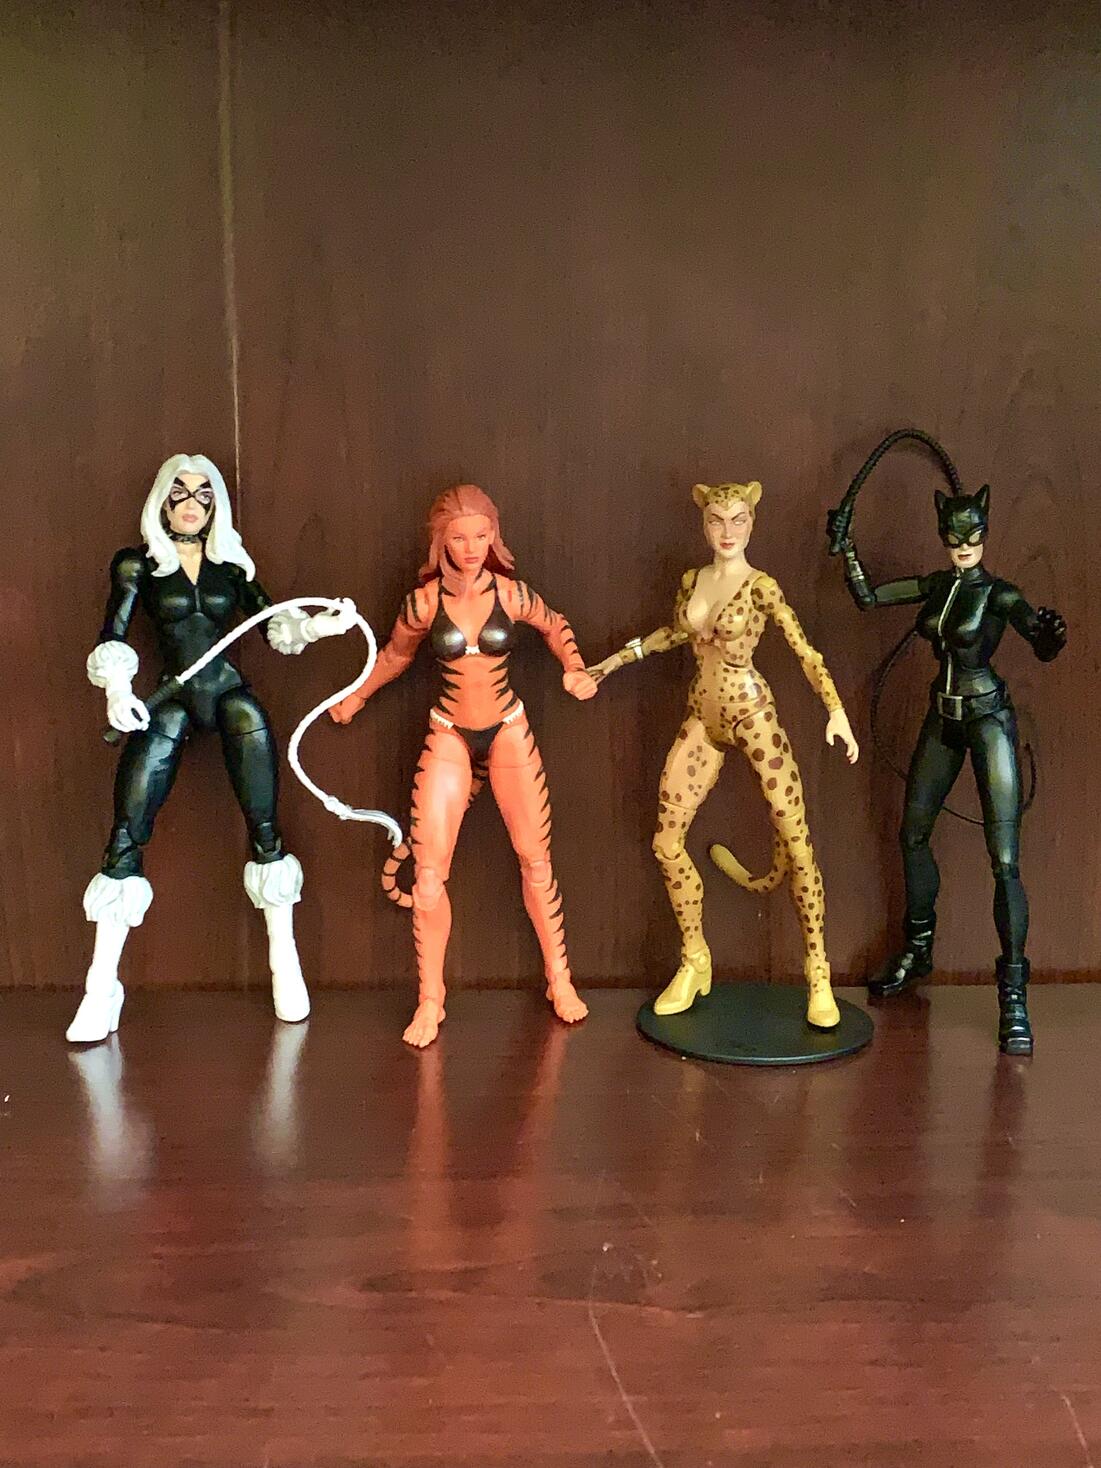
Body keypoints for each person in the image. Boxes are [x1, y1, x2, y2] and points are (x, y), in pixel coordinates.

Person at [330, 484, 596, 1048]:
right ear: (440, 542)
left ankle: (560, 979)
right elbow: (395, 655)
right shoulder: (423, 603)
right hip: (450, 730)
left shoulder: (512, 594)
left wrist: (574, 666)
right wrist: (355, 698)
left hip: (508, 727)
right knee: (428, 875)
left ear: (494, 535)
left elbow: (555, 625)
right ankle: (431, 999)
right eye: (460, 538)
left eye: (482, 535)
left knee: (536, 862)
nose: (473, 548)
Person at [589, 480, 858, 1028]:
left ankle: (818, 971)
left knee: (796, 841)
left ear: (753, 522)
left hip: (751, 711)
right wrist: (615, 661)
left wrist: (835, 709)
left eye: (738, 519)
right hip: (704, 717)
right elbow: (673, 634)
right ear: (704, 524)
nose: (727, 531)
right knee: (666, 842)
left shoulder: (761, 587)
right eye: (717, 520)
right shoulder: (693, 580)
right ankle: (695, 958)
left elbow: (804, 651)